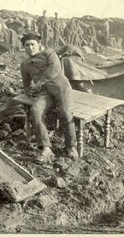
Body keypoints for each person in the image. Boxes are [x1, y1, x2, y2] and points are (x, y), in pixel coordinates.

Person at [20, 32, 79, 162]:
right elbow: (26, 84)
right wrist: (30, 92)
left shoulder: (49, 53)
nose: (30, 48)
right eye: (26, 45)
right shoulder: (24, 65)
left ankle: (71, 147)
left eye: (32, 44)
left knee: (65, 112)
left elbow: (55, 68)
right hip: (44, 93)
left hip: (61, 88)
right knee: (35, 111)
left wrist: (40, 83)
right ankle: (46, 148)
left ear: (38, 45)